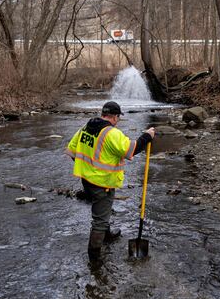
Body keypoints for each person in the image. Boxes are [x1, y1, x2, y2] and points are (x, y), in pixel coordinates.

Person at [65, 101, 155, 262]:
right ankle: (94, 259)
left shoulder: (85, 127)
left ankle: (107, 236)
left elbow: (71, 151)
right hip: (102, 184)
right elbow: (131, 149)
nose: (118, 120)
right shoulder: (112, 134)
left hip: (87, 180)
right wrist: (147, 136)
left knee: (103, 210)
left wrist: (88, 169)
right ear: (115, 117)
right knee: (99, 220)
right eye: (118, 117)